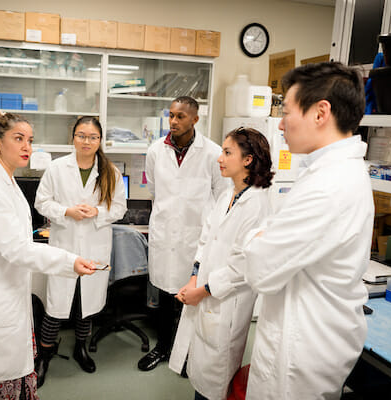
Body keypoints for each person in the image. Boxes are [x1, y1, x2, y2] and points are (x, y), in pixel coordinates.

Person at [243, 62, 374, 399]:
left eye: (286, 111)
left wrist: (256, 240)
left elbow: (260, 269)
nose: (281, 123)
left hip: (300, 352)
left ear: (320, 112)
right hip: (304, 336)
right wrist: (263, 239)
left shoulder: (330, 185)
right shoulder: (326, 172)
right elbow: (269, 243)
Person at [0, 110, 95, 400]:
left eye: (30, 140)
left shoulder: (5, 179)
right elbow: (16, 248)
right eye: (18, 139)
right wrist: (68, 261)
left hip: (6, 290)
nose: (27, 147)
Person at [169, 127, 273, 400]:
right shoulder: (228, 193)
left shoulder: (257, 204)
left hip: (227, 302)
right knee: (200, 369)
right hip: (204, 290)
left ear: (248, 160)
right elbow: (205, 239)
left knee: (217, 379)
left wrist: (201, 290)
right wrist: (193, 278)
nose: (220, 158)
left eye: (227, 153)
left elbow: (242, 266)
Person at [34, 116, 127, 385]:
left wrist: (98, 211)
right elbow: (42, 202)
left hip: (95, 244)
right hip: (64, 242)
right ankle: (45, 353)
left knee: (86, 303)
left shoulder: (110, 171)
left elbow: (120, 208)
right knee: (56, 303)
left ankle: (80, 348)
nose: (86, 141)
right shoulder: (56, 168)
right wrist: (66, 211)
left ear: (99, 141)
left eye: (92, 137)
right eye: (81, 135)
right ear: (73, 137)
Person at [139, 96, 230, 371]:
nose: (174, 121)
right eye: (171, 116)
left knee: (191, 296)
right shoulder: (156, 150)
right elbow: (154, 189)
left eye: (180, 116)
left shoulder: (213, 153)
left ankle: (188, 352)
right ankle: (163, 348)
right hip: (165, 234)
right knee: (166, 295)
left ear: (195, 119)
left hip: (196, 236)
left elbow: (222, 195)